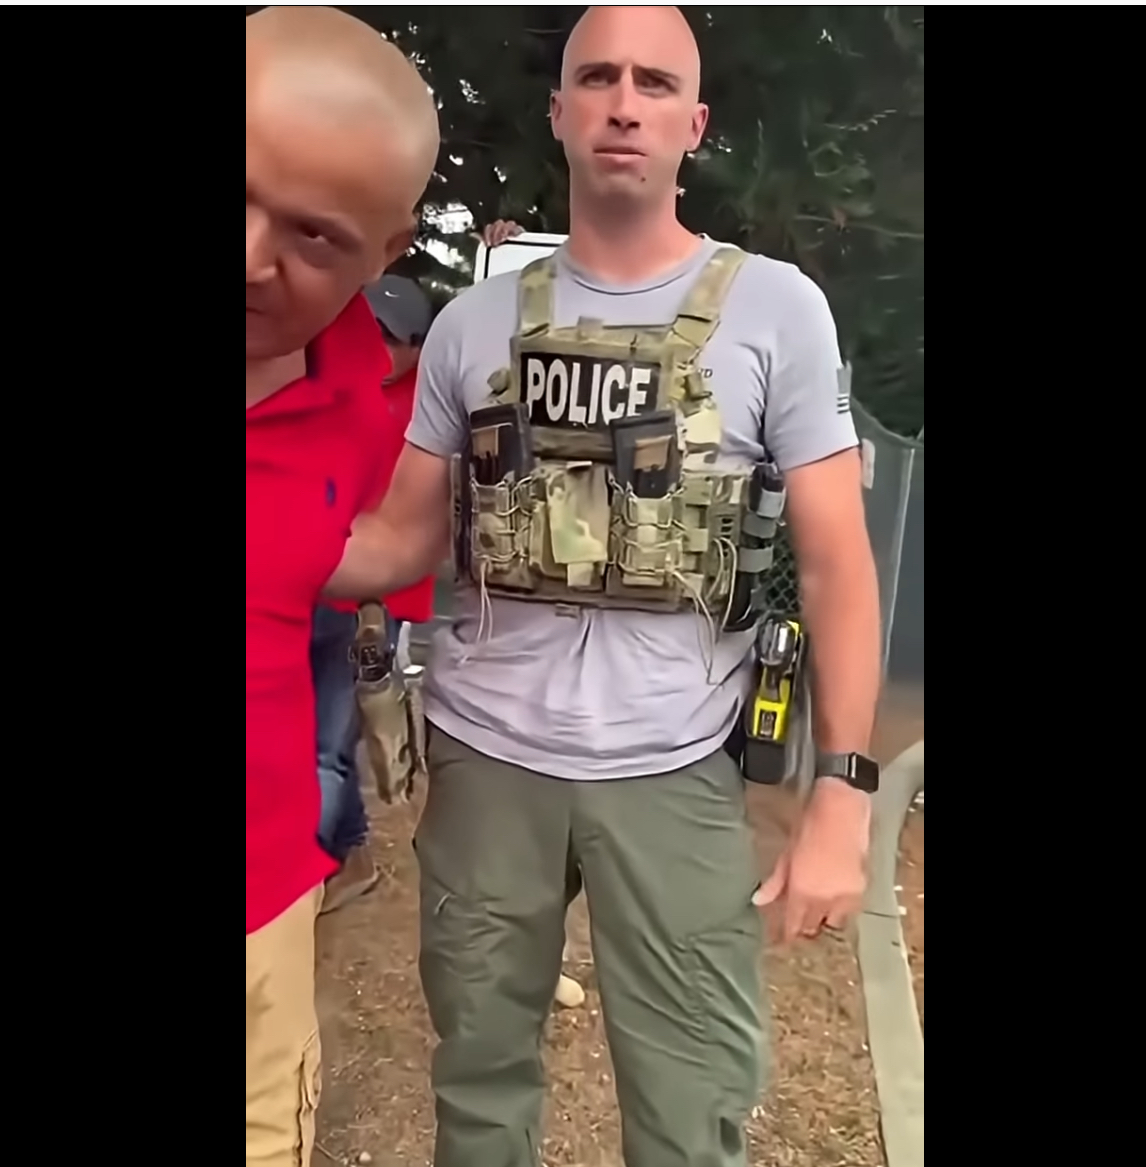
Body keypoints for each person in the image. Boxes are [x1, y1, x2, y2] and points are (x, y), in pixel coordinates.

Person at [326, 6, 882, 1165]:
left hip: (674, 766)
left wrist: (843, 794)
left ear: (694, 122)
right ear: (560, 111)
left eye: (654, 83)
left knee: (690, 1113)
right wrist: (280, 538)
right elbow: (398, 543)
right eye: (598, 78)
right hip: (488, 764)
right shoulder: (473, 325)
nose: (624, 104)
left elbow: (838, 563)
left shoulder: (775, 309)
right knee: (480, 1093)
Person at [245, 7, 438, 1165]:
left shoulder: (359, 403)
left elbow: (368, 549)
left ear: (387, 250)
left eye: (313, 236)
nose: (249, 256)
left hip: (261, 890)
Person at [313, 274, 437, 915]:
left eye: (390, 338)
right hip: (307, 582)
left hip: (369, 602)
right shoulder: (328, 382)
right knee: (300, 734)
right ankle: (351, 850)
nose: (376, 347)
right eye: (366, 331)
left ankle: (297, 885)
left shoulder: (431, 405)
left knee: (328, 747)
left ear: (418, 345)